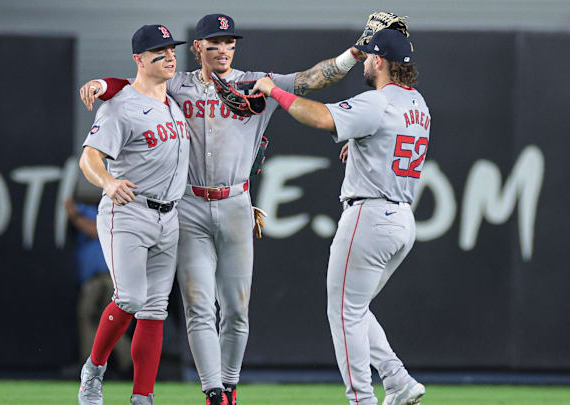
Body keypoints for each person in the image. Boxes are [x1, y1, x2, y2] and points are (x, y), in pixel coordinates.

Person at [79, 13, 365, 405]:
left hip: (235, 202)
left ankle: (228, 386)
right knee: (197, 305)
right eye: (214, 42)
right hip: (189, 205)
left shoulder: (255, 83)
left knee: (236, 310)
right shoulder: (177, 83)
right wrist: (102, 83)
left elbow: (309, 80)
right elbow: (132, 88)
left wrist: (351, 55)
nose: (223, 49)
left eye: (229, 42)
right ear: (198, 48)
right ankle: (212, 391)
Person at [252, 28, 430, 405]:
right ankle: (397, 380)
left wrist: (274, 91)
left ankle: (361, 399)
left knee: (344, 313)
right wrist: (361, 144)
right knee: (356, 307)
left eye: (368, 57)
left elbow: (319, 117)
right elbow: (388, 138)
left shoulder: (377, 102)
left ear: (379, 61)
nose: (365, 62)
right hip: (402, 219)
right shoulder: (418, 104)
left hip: (370, 216)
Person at [77, 23, 189, 405]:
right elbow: (88, 158)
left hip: (168, 216)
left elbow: (117, 80)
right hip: (128, 211)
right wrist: (107, 183)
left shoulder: (173, 100)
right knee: (129, 299)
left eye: (172, 49)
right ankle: (93, 371)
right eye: (160, 51)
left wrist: (106, 81)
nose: (170, 56)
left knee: (155, 310)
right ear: (139, 60)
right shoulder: (121, 104)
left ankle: (143, 396)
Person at [65, 193, 132, 378]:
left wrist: (75, 216)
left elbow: (95, 230)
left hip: (111, 276)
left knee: (110, 320)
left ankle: (127, 363)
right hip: (92, 278)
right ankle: (92, 365)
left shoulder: (113, 207)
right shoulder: (84, 208)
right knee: (89, 317)